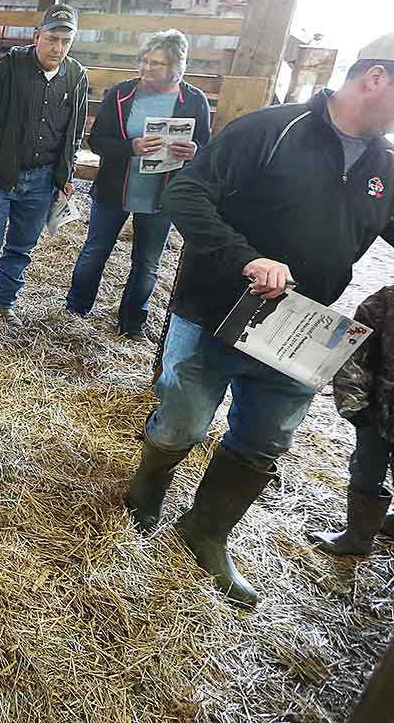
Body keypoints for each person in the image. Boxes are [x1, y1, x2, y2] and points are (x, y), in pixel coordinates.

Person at [124, 32, 394, 607]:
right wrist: (248, 257)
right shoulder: (271, 130)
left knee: (267, 436)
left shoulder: (384, 166)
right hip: (216, 309)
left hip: (300, 327)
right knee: (184, 421)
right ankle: (147, 492)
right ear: (375, 78)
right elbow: (187, 196)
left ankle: (207, 530)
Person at [0, 3, 90, 339]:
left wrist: (65, 175)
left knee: (21, 247)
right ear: (37, 35)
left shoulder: (76, 76)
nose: (58, 47)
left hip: (42, 178)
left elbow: (75, 131)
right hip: (1, 175)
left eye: (66, 41)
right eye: (52, 38)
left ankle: (3, 302)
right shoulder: (10, 66)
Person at [65, 30, 211, 339]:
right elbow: (98, 140)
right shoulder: (121, 94)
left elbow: (205, 148)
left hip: (161, 196)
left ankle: (133, 324)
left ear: (175, 67)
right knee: (95, 251)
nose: (145, 68)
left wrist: (195, 151)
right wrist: (132, 147)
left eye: (156, 63)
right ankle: (75, 310)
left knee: (147, 263)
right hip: (114, 189)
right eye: (143, 61)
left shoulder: (194, 100)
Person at [312, 283, 394, 556]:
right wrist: (355, 405)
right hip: (377, 412)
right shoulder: (386, 300)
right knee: (366, 470)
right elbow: (353, 350)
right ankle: (357, 537)